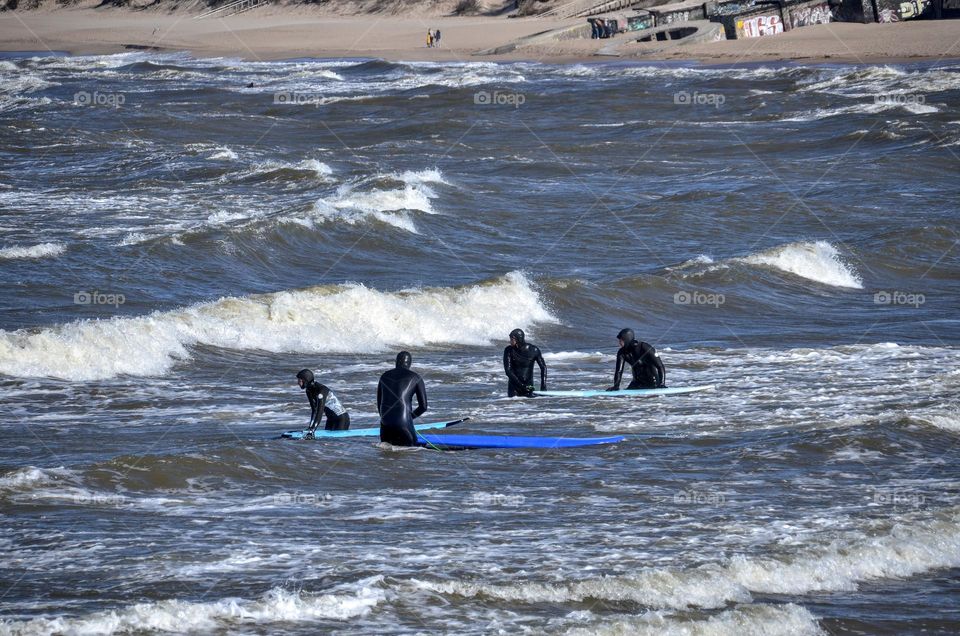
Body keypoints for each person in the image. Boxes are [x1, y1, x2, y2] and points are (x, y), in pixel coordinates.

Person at [377, 351, 428, 446]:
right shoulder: (416, 377)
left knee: (386, 454)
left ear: (396, 362)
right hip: (403, 424)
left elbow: (379, 404)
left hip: (385, 425)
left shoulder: (384, 376)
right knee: (412, 452)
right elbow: (423, 407)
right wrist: (410, 418)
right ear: (409, 363)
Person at [296, 369, 350, 436]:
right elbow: (314, 410)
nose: (298, 383)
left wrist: (313, 429)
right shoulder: (308, 391)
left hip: (341, 419)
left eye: (299, 380)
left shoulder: (321, 390)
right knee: (326, 443)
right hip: (330, 419)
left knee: (337, 443)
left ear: (305, 380)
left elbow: (319, 412)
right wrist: (310, 427)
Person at [503, 328, 547, 397]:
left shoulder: (533, 350)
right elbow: (508, 371)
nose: (510, 341)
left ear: (518, 339)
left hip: (529, 387)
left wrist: (543, 386)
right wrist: (522, 386)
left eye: (512, 339)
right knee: (512, 405)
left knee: (530, 406)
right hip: (514, 388)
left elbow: (543, 367)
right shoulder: (508, 350)